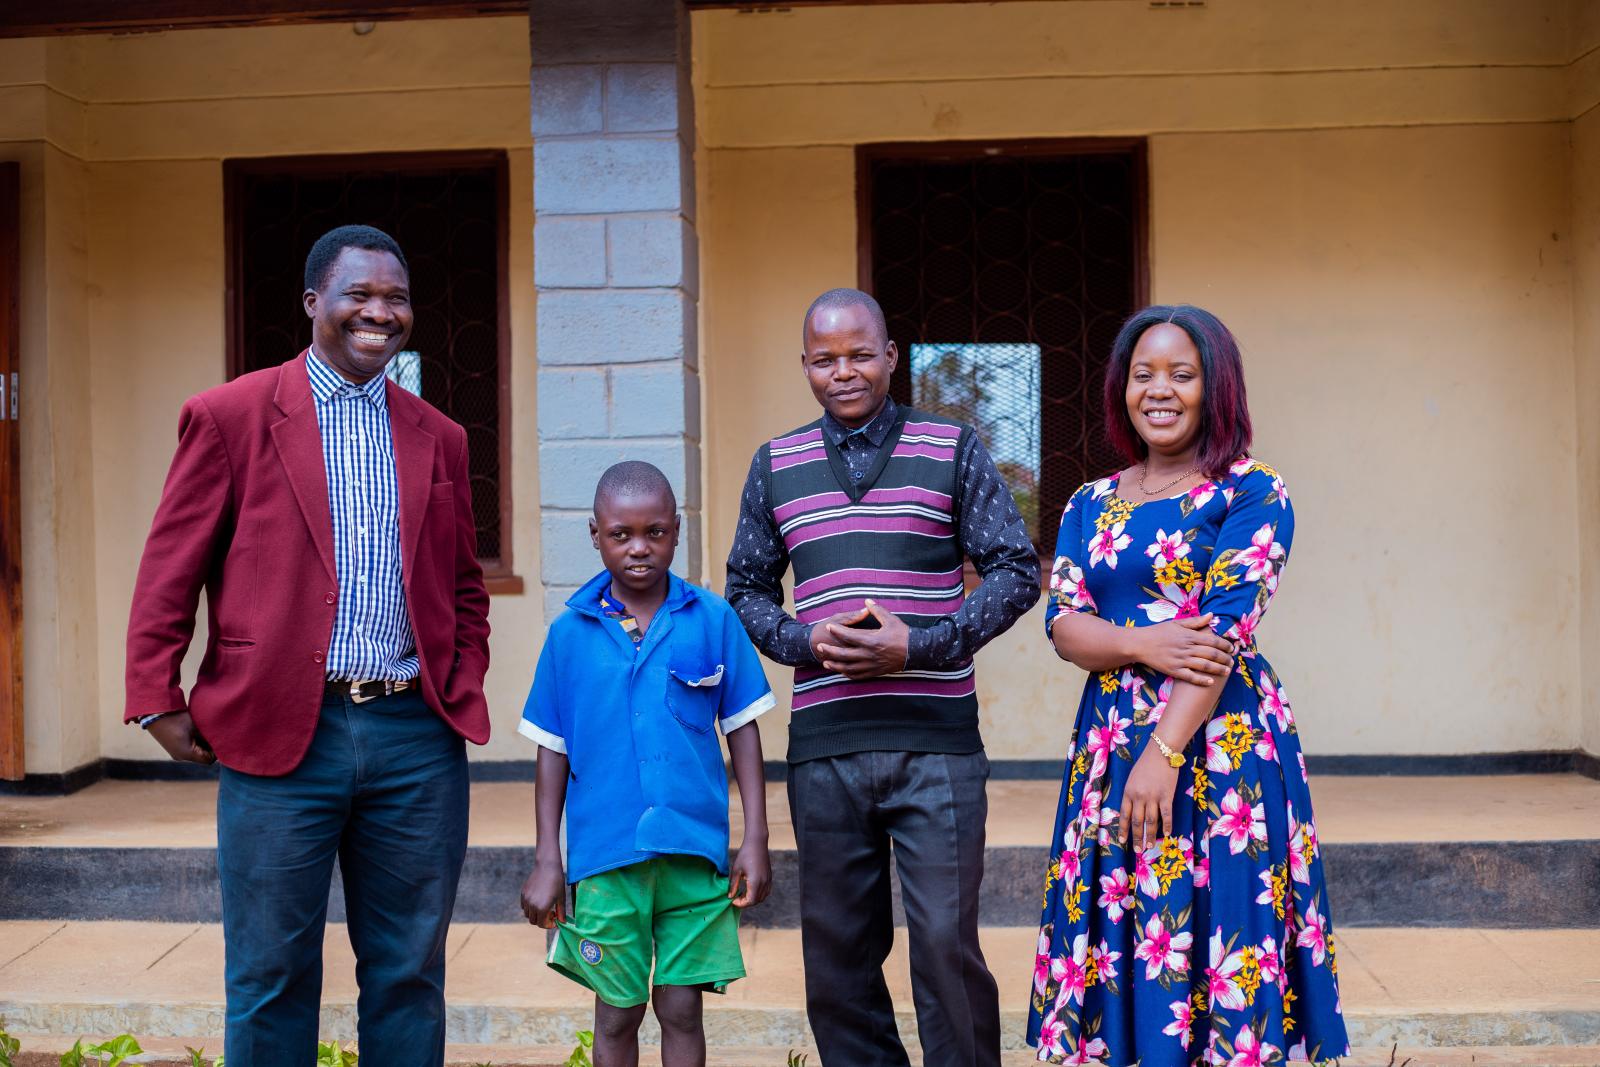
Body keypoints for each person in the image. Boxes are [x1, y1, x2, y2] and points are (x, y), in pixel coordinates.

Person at [124, 225, 491, 1067]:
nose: (380, 312)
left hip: (413, 738)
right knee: (269, 972)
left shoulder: (440, 434)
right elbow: (169, 567)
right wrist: (155, 693)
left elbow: (465, 584)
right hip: (279, 734)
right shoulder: (230, 416)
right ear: (313, 302)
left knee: (408, 972)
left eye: (395, 297)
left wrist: (459, 677)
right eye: (359, 294)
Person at [725, 288, 1040, 1067]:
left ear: (892, 356)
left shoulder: (952, 447)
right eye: (825, 359)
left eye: (861, 354)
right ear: (805, 366)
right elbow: (746, 590)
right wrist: (803, 639)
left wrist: (923, 644)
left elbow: (1015, 570)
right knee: (837, 964)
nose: (844, 372)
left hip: (936, 747)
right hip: (825, 751)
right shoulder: (776, 465)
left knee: (943, 946)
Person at [1027, 305, 1348, 1065]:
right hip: (1110, 745)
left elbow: (1218, 636)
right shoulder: (1088, 502)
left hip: (1221, 751)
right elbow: (1064, 624)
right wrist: (1141, 641)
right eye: (1143, 374)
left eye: (1181, 373)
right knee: (1124, 917)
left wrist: (1164, 753)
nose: (1159, 390)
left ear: (1215, 387)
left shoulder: (1251, 490)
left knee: (1221, 928)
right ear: (1122, 389)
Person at [518, 460, 775, 1067]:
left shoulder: (713, 620)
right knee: (617, 1012)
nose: (639, 548)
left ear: (677, 531)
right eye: (620, 534)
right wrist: (548, 857)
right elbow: (551, 748)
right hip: (605, 857)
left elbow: (742, 732)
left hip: (693, 850)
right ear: (595, 534)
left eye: (655, 532)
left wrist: (755, 839)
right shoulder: (568, 635)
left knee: (683, 1009)